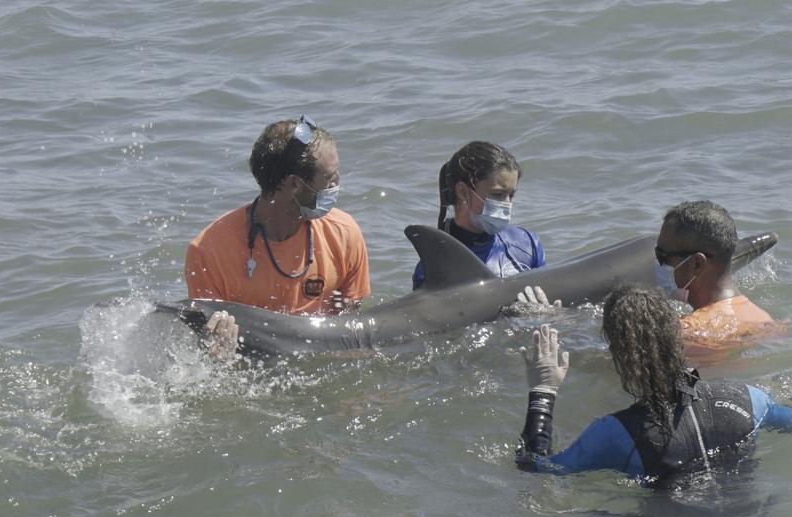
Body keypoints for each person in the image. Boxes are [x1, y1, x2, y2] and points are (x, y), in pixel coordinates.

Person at [516, 285, 792, 487]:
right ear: (676, 333)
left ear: (618, 355)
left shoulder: (613, 434)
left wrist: (543, 391)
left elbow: (537, 468)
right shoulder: (749, 399)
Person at [184, 115, 371, 359]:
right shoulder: (209, 251)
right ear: (294, 184)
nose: (337, 184)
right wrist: (218, 354)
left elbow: (350, 326)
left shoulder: (345, 232)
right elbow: (207, 349)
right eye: (329, 178)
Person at [654, 201, 781, 358]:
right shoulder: (766, 322)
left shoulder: (686, 332)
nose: (657, 264)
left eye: (662, 256)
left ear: (697, 264)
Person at [412, 141, 545, 290]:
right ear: (463, 192)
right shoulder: (436, 267)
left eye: (511, 195)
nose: (507, 204)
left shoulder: (527, 245)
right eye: (497, 194)